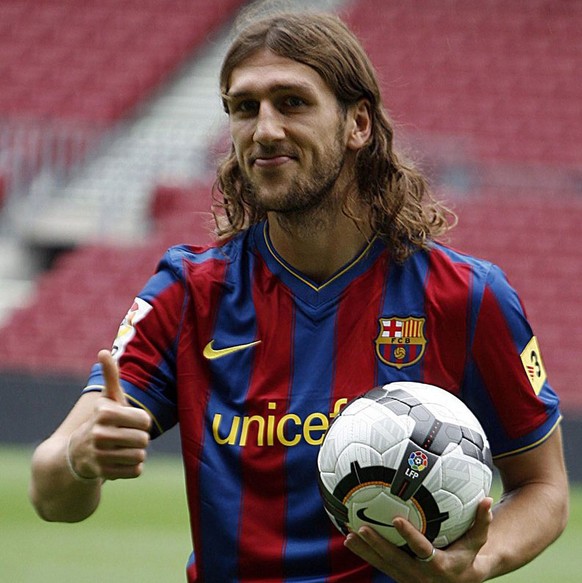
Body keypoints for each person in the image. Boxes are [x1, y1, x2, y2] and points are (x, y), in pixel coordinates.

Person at [29, 10, 568, 583]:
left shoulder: (465, 296)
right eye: (244, 107)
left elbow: (544, 486)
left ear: (358, 123)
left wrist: (477, 562)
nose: (264, 129)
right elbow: (50, 490)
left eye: (292, 102)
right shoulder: (188, 294)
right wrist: (80, 463)